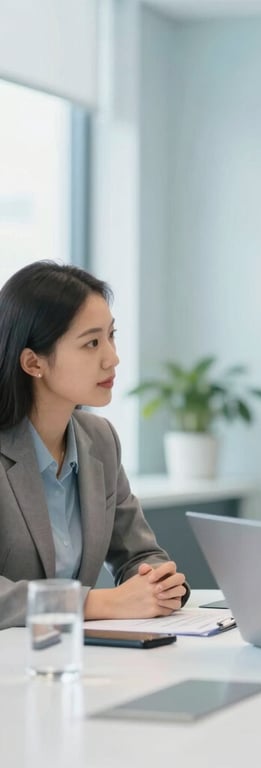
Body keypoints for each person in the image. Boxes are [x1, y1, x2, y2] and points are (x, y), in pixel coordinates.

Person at [0, 261, 189, 630]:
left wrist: (156, 583)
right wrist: (95, 602)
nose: (112, 358)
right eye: (91, 343)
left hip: (75, 660)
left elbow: (139, 553)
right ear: (32, 362)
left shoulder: (99, 439)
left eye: (111, 336)